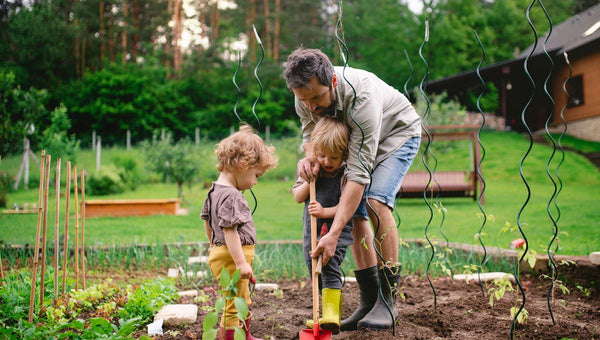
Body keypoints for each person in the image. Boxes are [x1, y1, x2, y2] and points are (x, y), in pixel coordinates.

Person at [285, 47, 422, 331]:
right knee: (357, 213)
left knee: (374, 203)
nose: (310, 106)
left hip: (396, 134)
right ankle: (368, 300)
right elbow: (311, 135)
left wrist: (333, 234)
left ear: (332, 82)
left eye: (316, 98)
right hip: (353, 144)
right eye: (303, 100)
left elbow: (359, 174)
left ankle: (388, 299)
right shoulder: (306, 97)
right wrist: (309, 159)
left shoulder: (362, 99)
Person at [201, 125, 278, 340]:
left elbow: (207, 221)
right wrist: (241, 262)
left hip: (221, 253)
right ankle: (231, 337)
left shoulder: (214, 191)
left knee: (237, 298)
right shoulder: (232, 196)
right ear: (243, 165)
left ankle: (245, 335)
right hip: (233, 256)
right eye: (256, 175)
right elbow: (230, 231)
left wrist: (212, 243)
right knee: (235, 303)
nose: (255, 182)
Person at [292, 116, 354, 334]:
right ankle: (327, 313)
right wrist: (311, 180)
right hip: (312, 231)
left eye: (334, 157)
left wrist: (324, 212)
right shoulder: (311, 169)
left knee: (329, 265)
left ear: (344, 154)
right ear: (314, 151)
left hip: (335, 231)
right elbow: (298, 196)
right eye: (322, 155)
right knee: (313, 269)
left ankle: (330, 315)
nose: (327, 161)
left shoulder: (346, 174)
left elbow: (348, 205)